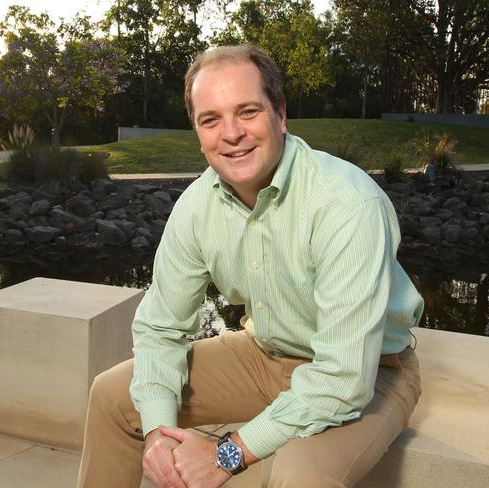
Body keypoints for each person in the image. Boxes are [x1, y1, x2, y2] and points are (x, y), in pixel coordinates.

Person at [77, 44, 424, 488]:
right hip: (265, 353)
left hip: (372, 371)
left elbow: (342, 377)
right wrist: (158, 437)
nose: (231, 134)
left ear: (280, 114)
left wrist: (227, 453)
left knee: (301, 477)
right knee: (112, 396)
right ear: (198, 133)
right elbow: (162, 329)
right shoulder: (196, 206)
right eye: (211, 120)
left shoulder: (346, 203)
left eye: (247, 111)